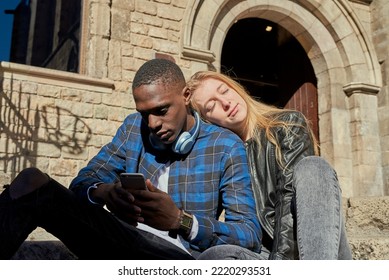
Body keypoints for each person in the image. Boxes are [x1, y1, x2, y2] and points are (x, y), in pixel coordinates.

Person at [0, 59, 261, 260]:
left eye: (161, 110)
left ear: (185, 97)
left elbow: (249, 235)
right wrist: (105, 193)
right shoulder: (133, 129)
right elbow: (82, 182)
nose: (153, 124)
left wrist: (179, 220)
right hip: (118, 236)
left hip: (177, 257)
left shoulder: (225, 145)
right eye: (144, 114)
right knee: (31, 181)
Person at [187, 71, 352, 260]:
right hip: (266, 254)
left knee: (314, 168)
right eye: (211, 106)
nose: (225, 103)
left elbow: (288, 199)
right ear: (207, 121)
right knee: (217, 254)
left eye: (224, 90)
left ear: (236, 88)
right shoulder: (223, 156)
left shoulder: (288, 125)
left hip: (312, 251)